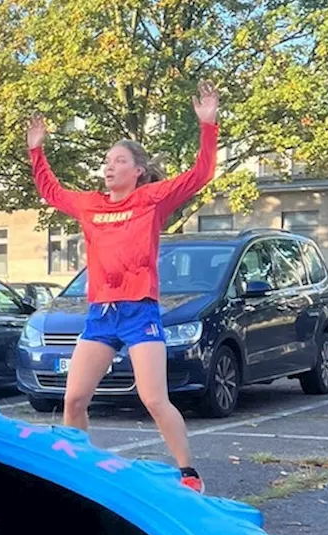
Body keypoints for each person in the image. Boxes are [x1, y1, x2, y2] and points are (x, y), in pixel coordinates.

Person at [26, 82, 220, 491]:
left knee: (153, 399)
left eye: (118, 161)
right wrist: (37, 151)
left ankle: (189, 472)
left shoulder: (151, 199)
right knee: (74, 399)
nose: (109, 167)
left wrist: (208, 126)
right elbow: (50, 191)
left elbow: (201, 175)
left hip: (139, 312)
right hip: (101, 315)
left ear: (137, 170)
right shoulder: (90, 204)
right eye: (106, 161)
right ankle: (79, 466)